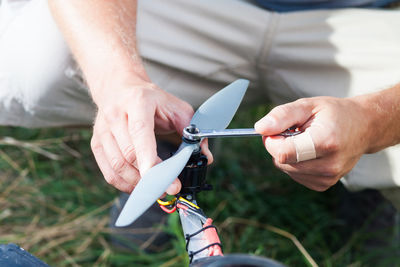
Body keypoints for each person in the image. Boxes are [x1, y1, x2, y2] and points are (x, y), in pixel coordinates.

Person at [1, 0, 400, 209]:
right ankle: (155, 158)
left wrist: (372, 121)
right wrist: (119, 81)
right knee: (35, 68)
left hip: (363, 16)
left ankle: (362, 189)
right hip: (191, 5)